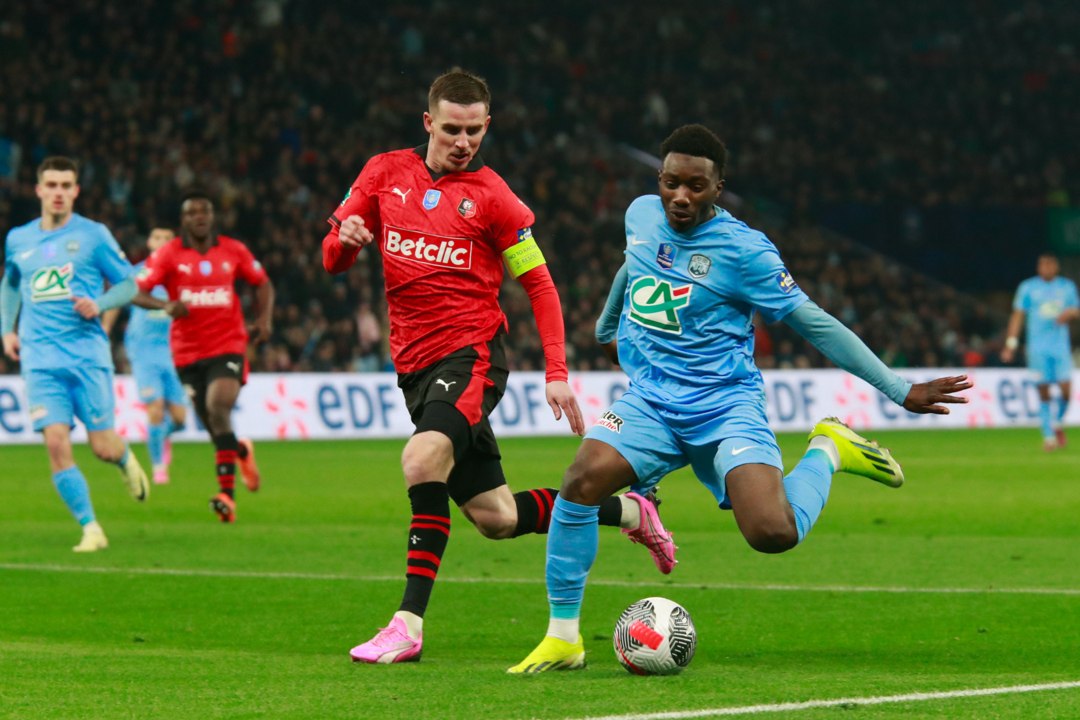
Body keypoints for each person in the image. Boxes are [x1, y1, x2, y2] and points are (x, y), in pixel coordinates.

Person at [509, 125, 973, 673]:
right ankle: (563, 637)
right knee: (580, 481)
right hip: (651, 403)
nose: (681, 197)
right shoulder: (640, 214)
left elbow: (814, 322)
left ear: (718, 188)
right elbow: (633, 264)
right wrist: (608, 325)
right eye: (671, 183)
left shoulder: (745, 252)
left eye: (696, 186)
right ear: (659, 179)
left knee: (772, 533)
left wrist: (898, 388)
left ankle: (828, 449)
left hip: (725, 406)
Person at [322, 69, 675, 665]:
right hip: (413, 366)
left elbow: (540, 285)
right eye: (451, 130)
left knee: (421, 458)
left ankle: (407, 624)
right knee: (498, 517)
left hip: (472, 356)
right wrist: (347, 240)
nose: (463, 142)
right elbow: (331, 259)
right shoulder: (382, 173)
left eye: (474, 131)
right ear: (428, 122)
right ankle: (629, 510)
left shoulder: (495, 199)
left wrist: (556, 372)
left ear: (487, 125)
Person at [0, 156, 151, 552]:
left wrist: (99, 304)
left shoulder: (94, 236)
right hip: (39, 360)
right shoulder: (18, 239)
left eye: (66, 186)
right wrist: (7, 330)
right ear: (38, 190)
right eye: (51, 185)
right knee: (55, 442)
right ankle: (91, 528)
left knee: (102, 447)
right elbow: (11, 283)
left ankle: (123, 458)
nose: (58, 193)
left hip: (86, 357)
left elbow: (129, 284)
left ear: (76, 191)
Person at [135, 190, 273, 522]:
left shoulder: (233, 250)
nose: (199, 216)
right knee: (214, 427)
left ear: (212, 217)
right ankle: (240, 451)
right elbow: (135, 291)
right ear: (183, 220)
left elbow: (263, 282)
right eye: (192, 212)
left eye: (205, 211)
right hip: (187, 353)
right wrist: (166, 304)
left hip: (228, 344)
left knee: (217, 407)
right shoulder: (169, 254)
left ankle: (227, 496)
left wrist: (265, 319)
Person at [104, 227, 189, 484]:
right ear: (150, 242)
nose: (162, 242)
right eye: (157, 238)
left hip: (173, 351)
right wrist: (105, 329)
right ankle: (158, 468)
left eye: (167, 238)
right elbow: (117, 299)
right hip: (143, 352)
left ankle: (161, 435)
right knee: (155, 409)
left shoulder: (182, 273)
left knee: (180, 419)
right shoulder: (137, 273)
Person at [1001, 253, 1079, 450]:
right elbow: (1018, 316)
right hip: (1037, 348)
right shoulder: (1028, 287)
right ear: (1038, 268)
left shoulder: (1067, 287)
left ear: (1056, 267)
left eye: (1050, 265)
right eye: (1043, 265)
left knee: (1066, 391)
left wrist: (1071, 313)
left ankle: (1057, 421)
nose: (1046, 268)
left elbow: (1076, 310)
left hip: (1060, 347)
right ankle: (1048, 436)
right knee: (1043, 391)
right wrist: (1011, 343)